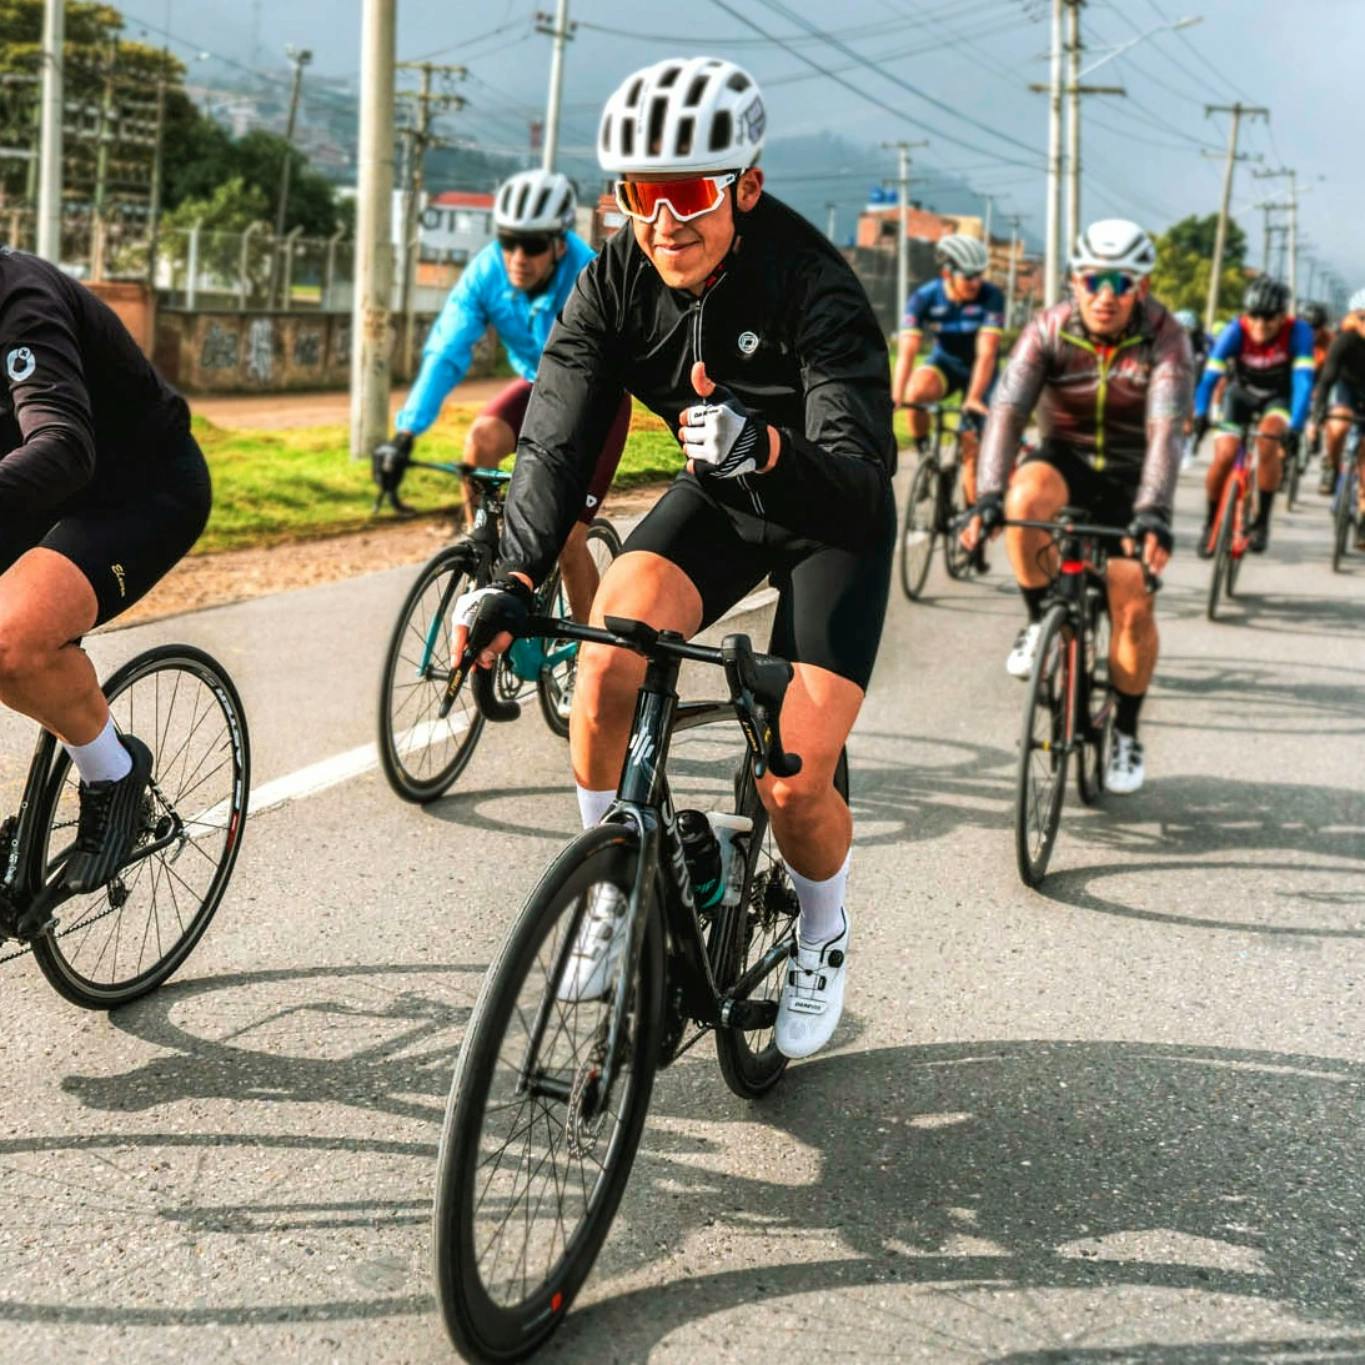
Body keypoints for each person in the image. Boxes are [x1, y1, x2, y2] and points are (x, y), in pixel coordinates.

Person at [452, 57, 897, 1060]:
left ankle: (822, 929)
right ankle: (611, 886)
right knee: (605, 662)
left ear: (745, 185)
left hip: (827, 514)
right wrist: (511, 578)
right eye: (637, 194)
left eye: (688, 193)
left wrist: (767, 447)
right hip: (721, 498)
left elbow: (860, 480)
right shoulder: (615, 280)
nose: (662, 222)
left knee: (794, 782)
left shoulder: (815, 285)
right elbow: (555, 436)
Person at [0, 245, 210, 925]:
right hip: (30, 496)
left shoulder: (20, 300)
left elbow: (63, 446)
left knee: (10, 641)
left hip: (138, 490)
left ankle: (113, 774)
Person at [963, 219, 1191, 796]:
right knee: (1024, 500)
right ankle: (1039, 619)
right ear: (1075, 282)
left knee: (1131, 600)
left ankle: (1126, 731)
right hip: (1064, 459)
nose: (1105, 294)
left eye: (1121, 282)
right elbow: (1008, 412)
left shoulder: (1166, 336)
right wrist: (987, 495)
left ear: (1141, 287)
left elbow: (1167, 430)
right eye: (1093, 280)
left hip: (1132, 474)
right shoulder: (1048, 328)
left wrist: (1154, 512)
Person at [373, 169, 631, 624]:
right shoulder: (487, 272)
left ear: (559, 244)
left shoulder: (589, 275)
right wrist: (406, 434)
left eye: (532, 245)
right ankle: (487, 565)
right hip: (537, 386)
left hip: (596, 399)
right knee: (480, 443)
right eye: (508, 242)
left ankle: (594, 657)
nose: (517, 257)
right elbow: (447, 351)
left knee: (567, 539)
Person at [1191, 277, 1314, 555]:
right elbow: (1209, 379)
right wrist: (1200, 413)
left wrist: (1296, 427)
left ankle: (1261, 522)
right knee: (1224, 455)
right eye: (1254, 315)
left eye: (1268, 317)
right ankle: (1210, 524)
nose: (1259, 323)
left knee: (1268, 442)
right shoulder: (1235, 331)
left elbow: (1304, 382)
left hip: (1278, 396)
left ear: (1282, 316)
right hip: (1241, 395)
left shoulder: (1299, 332)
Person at [892, 233, 1004, 519]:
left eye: (979, 274)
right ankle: (925, 456)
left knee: (970, 443)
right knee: (916, 393)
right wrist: (896, 396)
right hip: (945, 364)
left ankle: (971, 519)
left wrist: (974, 398)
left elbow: (987, 354)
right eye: (968, 276)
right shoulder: (925, 297)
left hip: (980, 373)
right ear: (947, 274)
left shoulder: (991, 297)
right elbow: (907, 351)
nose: (976, 282)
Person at [1312, 290, 1365, 544]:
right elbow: (1327, 378)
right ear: (1352, 318)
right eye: (1362, 318)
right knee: (1338, 423)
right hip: (1348, 390)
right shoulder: (1344, 341)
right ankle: (1332, 465)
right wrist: (1319, 412)